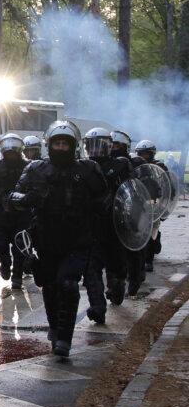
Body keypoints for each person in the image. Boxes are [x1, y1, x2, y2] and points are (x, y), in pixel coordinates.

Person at [9, 121, 106, 356]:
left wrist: (93, 210)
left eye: (65, 143)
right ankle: (55, 327)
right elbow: (13, 195)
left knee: (69, 284)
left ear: (73, 146)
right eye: (57, 143)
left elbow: (105, 198)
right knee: (51, 287)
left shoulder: (88, 169)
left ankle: (65, 338)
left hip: (78, 240)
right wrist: (29, 198)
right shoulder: (35, 169)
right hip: (46, 239)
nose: (61, 147)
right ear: (50, 144)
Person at [81, 128, 133, 320]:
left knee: (116, 265)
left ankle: (117, 287)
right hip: (90, 225)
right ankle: (98, 307)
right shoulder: (81, 167)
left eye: (98, 145)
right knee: (91, 269)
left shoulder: (120, 165)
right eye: (90, 145)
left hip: (113, 224)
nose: (94, 150)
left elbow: (131, 193)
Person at [0, 133, 29, 293]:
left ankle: (17, 277)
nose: (10, 154)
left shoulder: (28, 166)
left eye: (13, 151)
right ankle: (5, 263)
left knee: (19, 247)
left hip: (20, 214)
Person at [131, 140, 167, 273]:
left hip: (153, 204)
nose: (145, 157)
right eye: (142, 154)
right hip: (137, 205)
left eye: (147, 154)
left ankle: (149, 260)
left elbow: (167, 186)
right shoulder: (134, 166)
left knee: (152, 231)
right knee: (138, 231)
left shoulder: (159, 167)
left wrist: (163, 205)